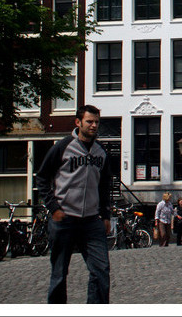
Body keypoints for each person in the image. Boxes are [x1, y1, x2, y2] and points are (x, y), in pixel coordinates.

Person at [35, 105, 111, 304]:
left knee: (101, 270)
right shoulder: (63, 147)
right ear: (78, 123)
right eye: (89, 122)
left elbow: (104, 185)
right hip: (65, 219)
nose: (94, 126)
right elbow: (42, 177)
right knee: (59, 273)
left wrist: (105, 214)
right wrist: (54, 208)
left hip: (91, 221)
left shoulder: (101, 151)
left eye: (96, 122)